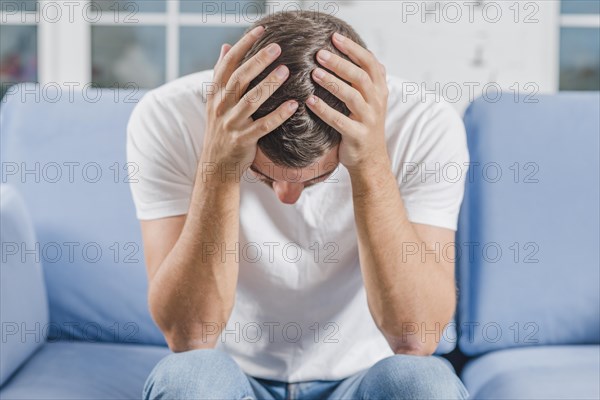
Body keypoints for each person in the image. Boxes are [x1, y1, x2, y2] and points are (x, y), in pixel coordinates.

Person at [127, 9, 470, 400]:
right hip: (233, 376)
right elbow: (188, 336)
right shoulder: (166, 117)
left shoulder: (424, 123)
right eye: (263, 175)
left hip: (361, 378)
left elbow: (417, 337)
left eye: (317, 179)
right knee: (187, 380)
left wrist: (371, 165)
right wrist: (219, 168)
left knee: (426, 385)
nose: (286, 197)